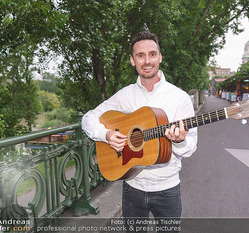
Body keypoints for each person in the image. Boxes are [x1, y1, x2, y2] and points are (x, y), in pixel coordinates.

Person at [82, 31, 197, 232]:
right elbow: (88, 118)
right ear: (132, 60)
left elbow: (190, 148)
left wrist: (179, 141)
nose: (147, 61)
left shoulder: (179, 98)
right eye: (140, 55)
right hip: (132, 187)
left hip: (167, 190)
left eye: (152, 54)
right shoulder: (125, 96)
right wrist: (106, 135)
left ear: (160, 57)